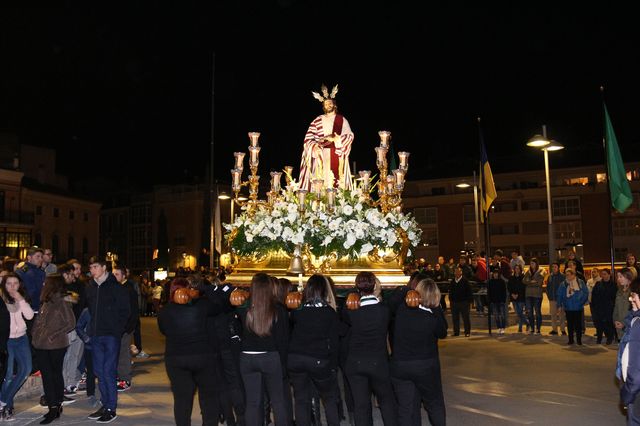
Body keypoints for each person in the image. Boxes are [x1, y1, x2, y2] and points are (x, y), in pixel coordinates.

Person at [158, 277, 225, 426]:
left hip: (176, 358)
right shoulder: (202, 306)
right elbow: (219, 306)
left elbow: (164, 331)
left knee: (182, 399)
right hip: (202, 356)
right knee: (208, 396)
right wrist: (206, 291)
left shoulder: (164, 311)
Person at [341, 272, 397, 425]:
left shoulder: (350, 312)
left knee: (361, 405)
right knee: (387, 401)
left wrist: (352, 294)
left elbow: (344, 315)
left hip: (355, 362)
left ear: (357, 286)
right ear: (375, 286)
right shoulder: (384, 310)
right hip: (378, 362)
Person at [391, 278, 447, 426]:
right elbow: (443, 332)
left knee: (406, 408)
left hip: (401, 366)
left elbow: (392, 300)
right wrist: (436, 307)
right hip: (426, 366)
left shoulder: (402, 311)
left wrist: (406, 290)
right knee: (434, 404)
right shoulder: (432, 318)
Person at [288, 274, 342, 426]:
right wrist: (333, 366)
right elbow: (334, 342)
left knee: (300, 400)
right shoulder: (329, 313)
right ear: (324, 291)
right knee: (329, 399)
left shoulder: (297, 312)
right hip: (318, 359)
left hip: (295, 359)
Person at [237, 273, 290, 426]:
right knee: (278, 401)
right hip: (270, 357)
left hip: (246, 358)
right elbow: (283, 341)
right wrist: (283, 365)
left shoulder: (243, 308)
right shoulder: (278, 310)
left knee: (252, 402)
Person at [84, 256, 131, 423]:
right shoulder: (90, 287)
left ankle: (111, 407)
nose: (92, 270)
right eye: (91, 267)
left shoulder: (116, 287)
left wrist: (116, 330)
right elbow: (90, 309)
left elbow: (125, 311)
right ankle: (105, 404)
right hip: (96, 335)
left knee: (108, 371)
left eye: (95, 267)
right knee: (98, 371)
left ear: (104, 268)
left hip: (111, 335)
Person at [30, 274, 76, 424]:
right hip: (41, 344)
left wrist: (54, 335)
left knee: (53, 375)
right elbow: (39, 321)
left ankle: (54, 406)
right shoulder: (46, 301)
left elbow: (71, 323)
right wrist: (34, 334)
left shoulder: (61, 301)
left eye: (46, 282)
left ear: (52, 284)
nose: (43, 284)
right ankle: (54, 406)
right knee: (48, 376)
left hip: (55, 345)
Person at [299, 84, 353, 191]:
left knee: (337, 184)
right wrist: (314, 147)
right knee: (321, 184)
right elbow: (308, 138)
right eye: (326, 103)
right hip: (321, 156)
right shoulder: (317, 120)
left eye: (330, 103)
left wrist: (337, 139)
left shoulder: (342, 120)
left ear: (334, 105)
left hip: (337, 154)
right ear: (323, 106)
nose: (328, 105)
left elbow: (349, 136)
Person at [0, 273, 34, 421]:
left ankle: (2, 401)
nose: (13, 287)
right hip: (6, 340)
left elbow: (30, 316)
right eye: (9, 283)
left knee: (26, 370)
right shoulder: (1, 300)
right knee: (7, 376)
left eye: (15, 283)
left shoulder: (20, 299)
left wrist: (21, 299)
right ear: (3, 285)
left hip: (21, 338)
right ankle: (7, 408)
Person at [619, 278, 640, 424]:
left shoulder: (638, 327)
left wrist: (627, 395)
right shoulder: (636, 319)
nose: (630, 298)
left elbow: (636, 371)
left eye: (634, 295)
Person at [556, 268, 588, 345]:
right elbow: (559, 295)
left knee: (578, 325)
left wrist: (581, 302)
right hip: (568, 307)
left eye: (569, 275)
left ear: (573, 275)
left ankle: (579, 340)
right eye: (566, 275)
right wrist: (559, 305)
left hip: (578, 307)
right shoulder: (563, 284)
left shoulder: (580, 282)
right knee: (570, 325)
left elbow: (585, 293)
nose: (567, 276)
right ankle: (570, 340)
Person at [591, 268, 617, 345]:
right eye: (602, 274)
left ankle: (610, 338)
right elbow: (594, 296)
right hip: (599, 307)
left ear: (609, 275)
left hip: (609, 307)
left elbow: (614, 297)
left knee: (609, 323)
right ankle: (599, 338)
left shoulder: (613, 285)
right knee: (599, 324)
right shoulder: (598, 284)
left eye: (605, 274)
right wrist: (594, 306)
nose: (603, 276)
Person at [523, 258, 546, 335]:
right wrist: (531, 281)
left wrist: (529, 282)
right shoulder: (528, 271)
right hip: (528, 295)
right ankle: (532, 328)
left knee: (537, 312)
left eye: (533, 263)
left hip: (537, 295)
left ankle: (538, 328)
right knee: (529, 313)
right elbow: (523, 281)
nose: (531, 265)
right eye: (531, 263)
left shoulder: (541, 270)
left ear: (536, 264)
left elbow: (539, 283)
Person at [449, 267, 473, 337]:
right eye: (455, 272)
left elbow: (469, 292)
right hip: (454, 303)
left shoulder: (465, 281)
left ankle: (467, 332)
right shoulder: (453, 281)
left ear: (461, 272)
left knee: (466, 318)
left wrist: (469, 301)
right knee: (455, 318)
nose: (456, 273)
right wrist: (451, 300)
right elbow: (450, 292)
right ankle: (456, 332)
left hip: (464, 303)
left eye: (458, 272)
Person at [546, 262, 566, 336]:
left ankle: (563, 330)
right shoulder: (550, 277)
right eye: (553, 267)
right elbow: (548, 287)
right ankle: (554, 329)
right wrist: (549, 296)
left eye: (555, 267)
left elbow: (564, 288)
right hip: (552, 299)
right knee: (553, 315)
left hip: (560, 299)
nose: (553, 268)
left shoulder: (562, 276)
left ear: (558, 268)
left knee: (561, 315)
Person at [508, 264, 528, 333]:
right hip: (513, 297)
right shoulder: (511, 278)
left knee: (520, 312)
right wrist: (512, 294)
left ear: (520, 269)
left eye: (518, 268)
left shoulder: (523, 277)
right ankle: (527, 322)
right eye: (515, 268)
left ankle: (520, 327)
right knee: (518, 312)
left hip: (521, 297)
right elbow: (509, 287)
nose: (517, 270)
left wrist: (518, 294)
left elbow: (523, 288)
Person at [488, 267, 507, 334]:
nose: (495, 275)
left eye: (497, 273)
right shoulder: (490, 282)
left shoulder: (502, 282)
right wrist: (490, 300)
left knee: (502, 315)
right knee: (496, 315)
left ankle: (503, 327)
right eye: (494, 273)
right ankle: (499, 327)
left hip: (501, 301)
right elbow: (489, 292)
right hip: (494, 301)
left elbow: (504, 292)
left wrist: (503, 300)